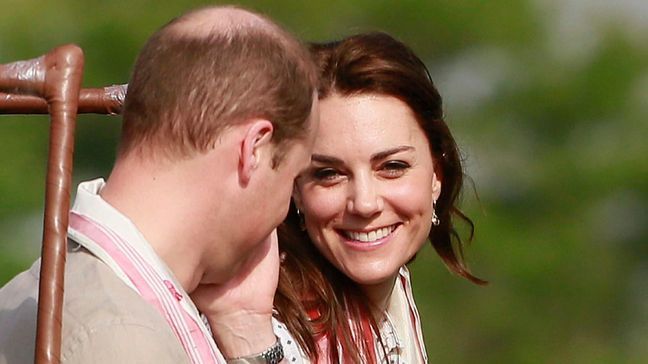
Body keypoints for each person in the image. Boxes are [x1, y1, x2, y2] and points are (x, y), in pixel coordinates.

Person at [0, 5, 318, 364]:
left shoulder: (37, 291)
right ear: (254, 149)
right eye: (293, 179)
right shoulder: (123, 340)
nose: (287, 209)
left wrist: (249, 335)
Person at [274, 32, 486, 363]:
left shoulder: (393, 295)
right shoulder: (274, 326)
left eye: (392, 167)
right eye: (329, 173)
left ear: (436, 175)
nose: (365, 203)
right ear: (295, 188)